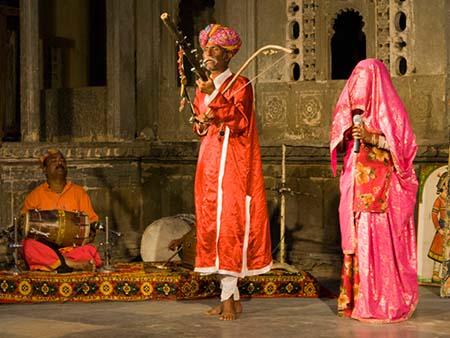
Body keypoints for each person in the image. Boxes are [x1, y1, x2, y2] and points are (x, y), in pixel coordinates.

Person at [192, 23, 272, 320]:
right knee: (212, 228)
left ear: (227, 55)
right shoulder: (203, 86)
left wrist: (216, 95)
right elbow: (202, 124)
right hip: (210, 163)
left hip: (234, 165)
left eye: (215, 50)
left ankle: (227, 300)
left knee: (230, 227)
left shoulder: (241, 84)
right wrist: (200, 122)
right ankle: (231, 298)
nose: (208, 55)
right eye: (206, 50)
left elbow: (240, 122)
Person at [330, 59, 419, 323]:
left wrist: (373, 138)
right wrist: (350, 134)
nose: (358, 85)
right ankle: (359, 300)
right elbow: (344, 142)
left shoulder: (392, 112)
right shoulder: (356, 115)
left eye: (363, 80)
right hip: (358, 189)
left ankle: (384, 301)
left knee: (377, 243)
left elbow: (406, 149)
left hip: (383, 194)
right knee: (357, 241)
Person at [21, 148, 102, 272]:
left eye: (62, 160)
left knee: (91, 251)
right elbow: (25, 226)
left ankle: (57, 264)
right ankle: (71, 264)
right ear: (44, 169)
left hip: (72, 250)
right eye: (54, 160)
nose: (59, 163)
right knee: (28, 246)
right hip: (47, 249)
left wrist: (88, 233)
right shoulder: (35, 196)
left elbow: (91, 224)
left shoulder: (79, 193)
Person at [427, 171, 448, 283]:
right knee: (439, 251)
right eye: (446, 184)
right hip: (442, 228)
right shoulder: (439, 199)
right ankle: (435, 273)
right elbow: (434, 214)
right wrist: (438, 228)